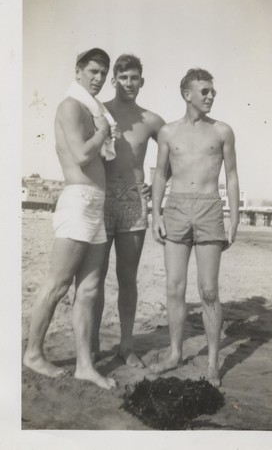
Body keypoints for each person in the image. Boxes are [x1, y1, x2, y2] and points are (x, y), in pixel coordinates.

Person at [23, 48, 117, 389]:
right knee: (58, 284)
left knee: (89, 289)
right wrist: (104, 131)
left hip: (95, 204)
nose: (98, 78)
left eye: (103, 74)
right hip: (77, 201)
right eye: (93, 71)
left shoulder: (93, 111)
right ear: (78, 71)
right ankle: (33, 353)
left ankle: (84, 365)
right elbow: (80, 154)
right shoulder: (71, 106)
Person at [150, 68, 239, 386]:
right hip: (175, 209)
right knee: (174, 288)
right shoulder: (168, 133)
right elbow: (160, 174)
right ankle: (174, 354)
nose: (211, 96)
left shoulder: (222, 131)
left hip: (209, 209)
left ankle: (213, 362)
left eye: (213, 91)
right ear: (187, 94)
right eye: (205, 91)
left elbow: (231, 175)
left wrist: (234, 216)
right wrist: (156, 214)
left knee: (209, 291)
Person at [91, 54, 167, 368]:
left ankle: (126, 344)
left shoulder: (151, 119)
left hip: (134, 200)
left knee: (127, 278)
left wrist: (158, 182)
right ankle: (92, 343)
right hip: (102, 197)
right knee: (94, 277)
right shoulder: (99, 110)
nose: (129, 84)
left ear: (141, 81)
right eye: (123, 78)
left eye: (134, 78)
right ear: (114, 80)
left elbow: (174, 153)